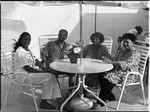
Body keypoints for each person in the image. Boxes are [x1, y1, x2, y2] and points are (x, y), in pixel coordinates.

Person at [13, 32, 62, 109]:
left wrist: (42, 67)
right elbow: (27, 68)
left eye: (29, 40)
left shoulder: (27, 49)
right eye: (25, 39)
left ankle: (59, 101)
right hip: (24, 76)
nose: (27, 41)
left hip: (30, 74)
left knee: (52, 76)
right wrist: (42, 72)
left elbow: (36, 60)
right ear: (21, 40)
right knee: (49, 76)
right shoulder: (20, 51)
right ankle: (49, 102)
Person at [92, 33, 141, 109]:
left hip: (129, 74)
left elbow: (127, 64)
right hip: (118, 72)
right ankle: (110, 96)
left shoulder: (135, 53)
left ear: (133, 42)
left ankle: (101, 101)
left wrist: (111, 62)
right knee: (101, 74)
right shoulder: (123, 51)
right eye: (124, 42)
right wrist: (107, 59)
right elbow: (116, 60)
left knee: (107, 78)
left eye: (127, 42)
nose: (125, 44)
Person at [41, 29, 74, 96]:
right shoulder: (50, 44)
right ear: (58, 35)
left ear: (66, 36)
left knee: (74, 73)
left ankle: (70, 92)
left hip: (64, 67)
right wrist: (44, 61)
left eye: (64, 35)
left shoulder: (68, 46)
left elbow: (72, 56)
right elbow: (44, 53)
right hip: (53, 67)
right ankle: (58, 94)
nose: (62, 36)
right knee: (53, 75)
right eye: (61, 34)